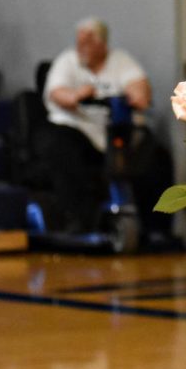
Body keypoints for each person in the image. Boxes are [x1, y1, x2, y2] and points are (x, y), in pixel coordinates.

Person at [43, 17, 150, 233]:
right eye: (79, 41)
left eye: (88, 41)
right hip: (77, 128)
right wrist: (76, 95)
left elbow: (139, 87)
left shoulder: (120, 60)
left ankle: (152, 225)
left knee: (153, 153)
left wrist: (137, 94)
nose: (81, 46)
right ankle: (79, 221)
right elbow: (57, 93)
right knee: (62, 148)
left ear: (102, 44)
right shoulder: (67, 61)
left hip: (114, 130)